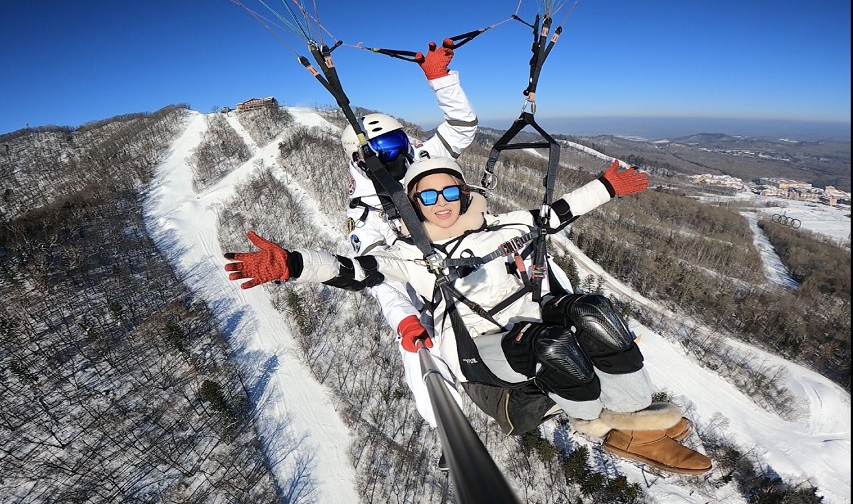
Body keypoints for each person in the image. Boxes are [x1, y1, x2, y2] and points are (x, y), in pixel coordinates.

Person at [223, 157, 713, 476]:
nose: (441, 204)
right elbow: (358, 271)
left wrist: (605, 186)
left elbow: (555, 213)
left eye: (448, 193)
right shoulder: (409, 256)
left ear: (463, 194)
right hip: (479, 348)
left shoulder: (501, 229)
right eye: (428, 197)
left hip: (530, 315)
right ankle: (605, 426)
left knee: (593, 310)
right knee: (552, 346)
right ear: (413, 205)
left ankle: (639, 412)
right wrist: (295, 265)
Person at [339, 38, 478, 447]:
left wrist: (441, 81)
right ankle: (445, 428)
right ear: (361, 161)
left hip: (464, 247)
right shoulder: (366, 209)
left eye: (397, 147)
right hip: (420, 274)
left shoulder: (419, 158)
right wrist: (403, 318)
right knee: (421, 344)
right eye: (381, 155)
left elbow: (462, 128)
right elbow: (377, 271)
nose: (396, 161)